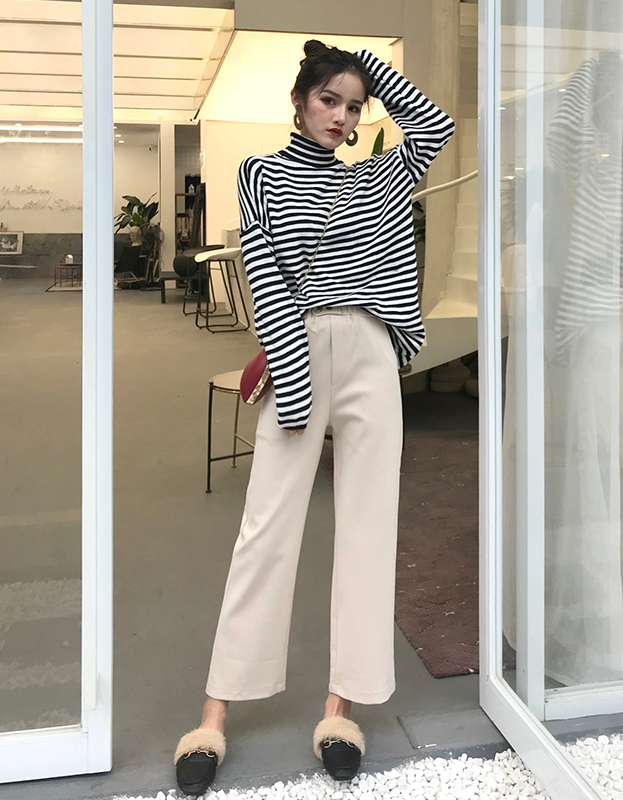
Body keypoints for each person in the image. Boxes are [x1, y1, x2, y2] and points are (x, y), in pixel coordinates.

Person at [173, 40, 454, 795]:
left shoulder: (382, 176)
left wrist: (365, 63)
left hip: (370, 353)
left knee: (369, 529)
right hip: (298, 346)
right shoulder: (259, 173)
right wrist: (293, 382)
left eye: (354, 106)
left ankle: (340, 709)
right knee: (264, 529)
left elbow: (436, 126)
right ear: (300, 102)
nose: (342, 115)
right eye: (329, 99)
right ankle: (213, 715)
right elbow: (264, 272)